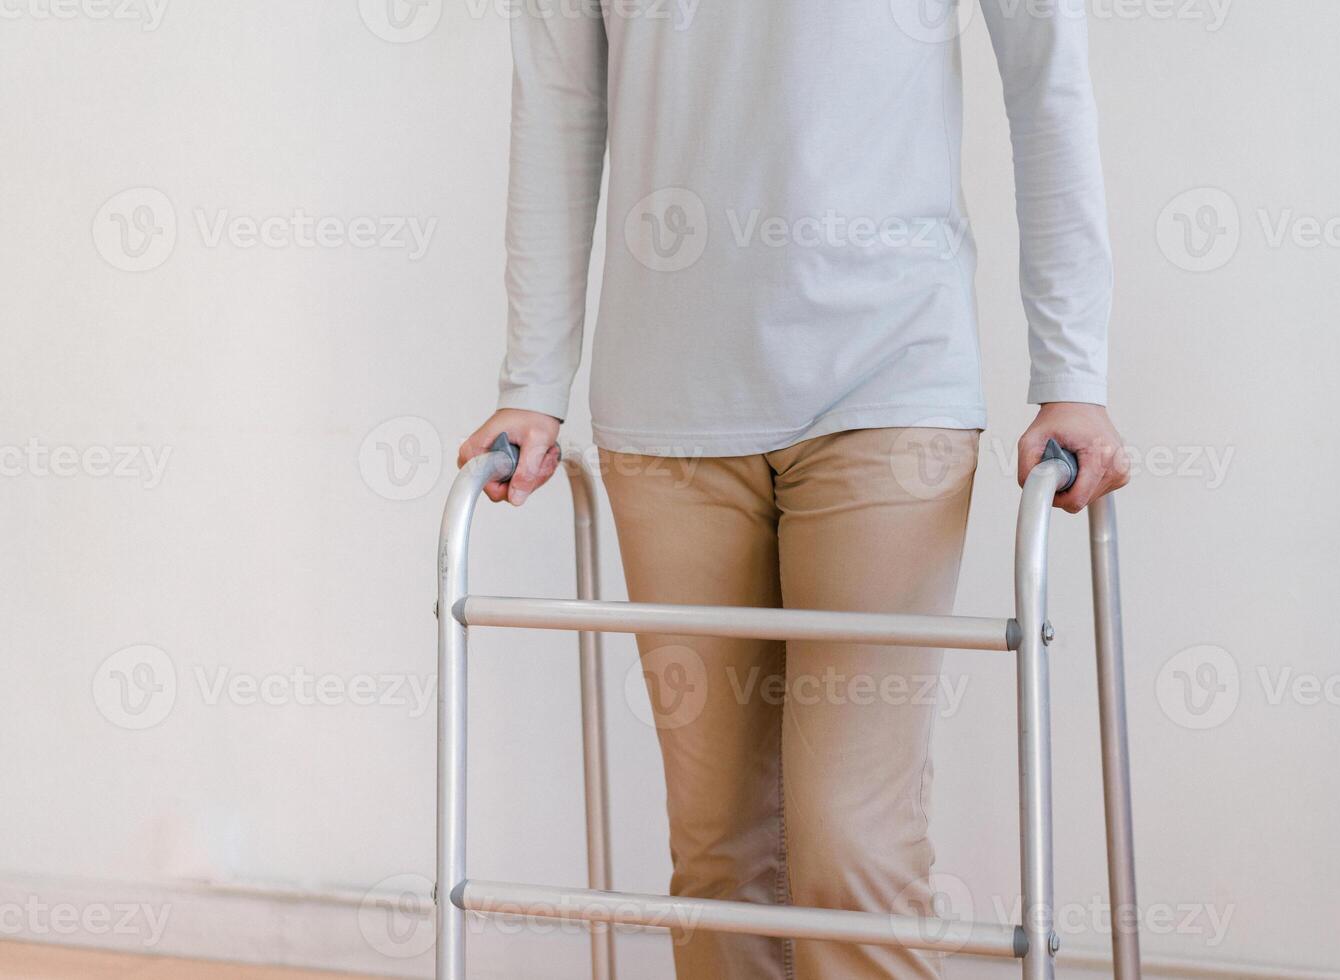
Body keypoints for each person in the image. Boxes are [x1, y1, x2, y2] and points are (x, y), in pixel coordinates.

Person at [458, 1, 1129, 976]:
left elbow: (1047, 81)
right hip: (668, 407)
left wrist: (1074, 374)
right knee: (720, 853)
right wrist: (531, 384)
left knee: (853, 848)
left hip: (890, 388)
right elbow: (560, 104)